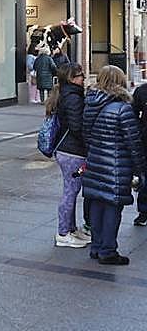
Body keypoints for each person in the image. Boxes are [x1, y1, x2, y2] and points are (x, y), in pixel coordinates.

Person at [82, 65, 144, 265]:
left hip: (95, 160)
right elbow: (133, 143)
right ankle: (108, 250)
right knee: (112, 207)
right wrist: (140, 169)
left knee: (97, 203)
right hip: (116, 165)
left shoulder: (90, 103)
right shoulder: (123, 108)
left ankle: (97, 246)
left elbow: (86, 134)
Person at [48, 62, 91, 248]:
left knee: (71, 190)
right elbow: (77, 126)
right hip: (72, 152)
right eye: (80, 75)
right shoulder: (73, 97)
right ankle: (63, 233)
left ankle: (71, 229)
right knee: (70, 192)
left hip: (67, 150)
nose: (84, 78)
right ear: (72, 78)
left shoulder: (66, 93)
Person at [130, 67, 147, 227]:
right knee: (145, 177)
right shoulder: (142, 91)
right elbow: (134, 113)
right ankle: (143, 211)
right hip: (145, 141)